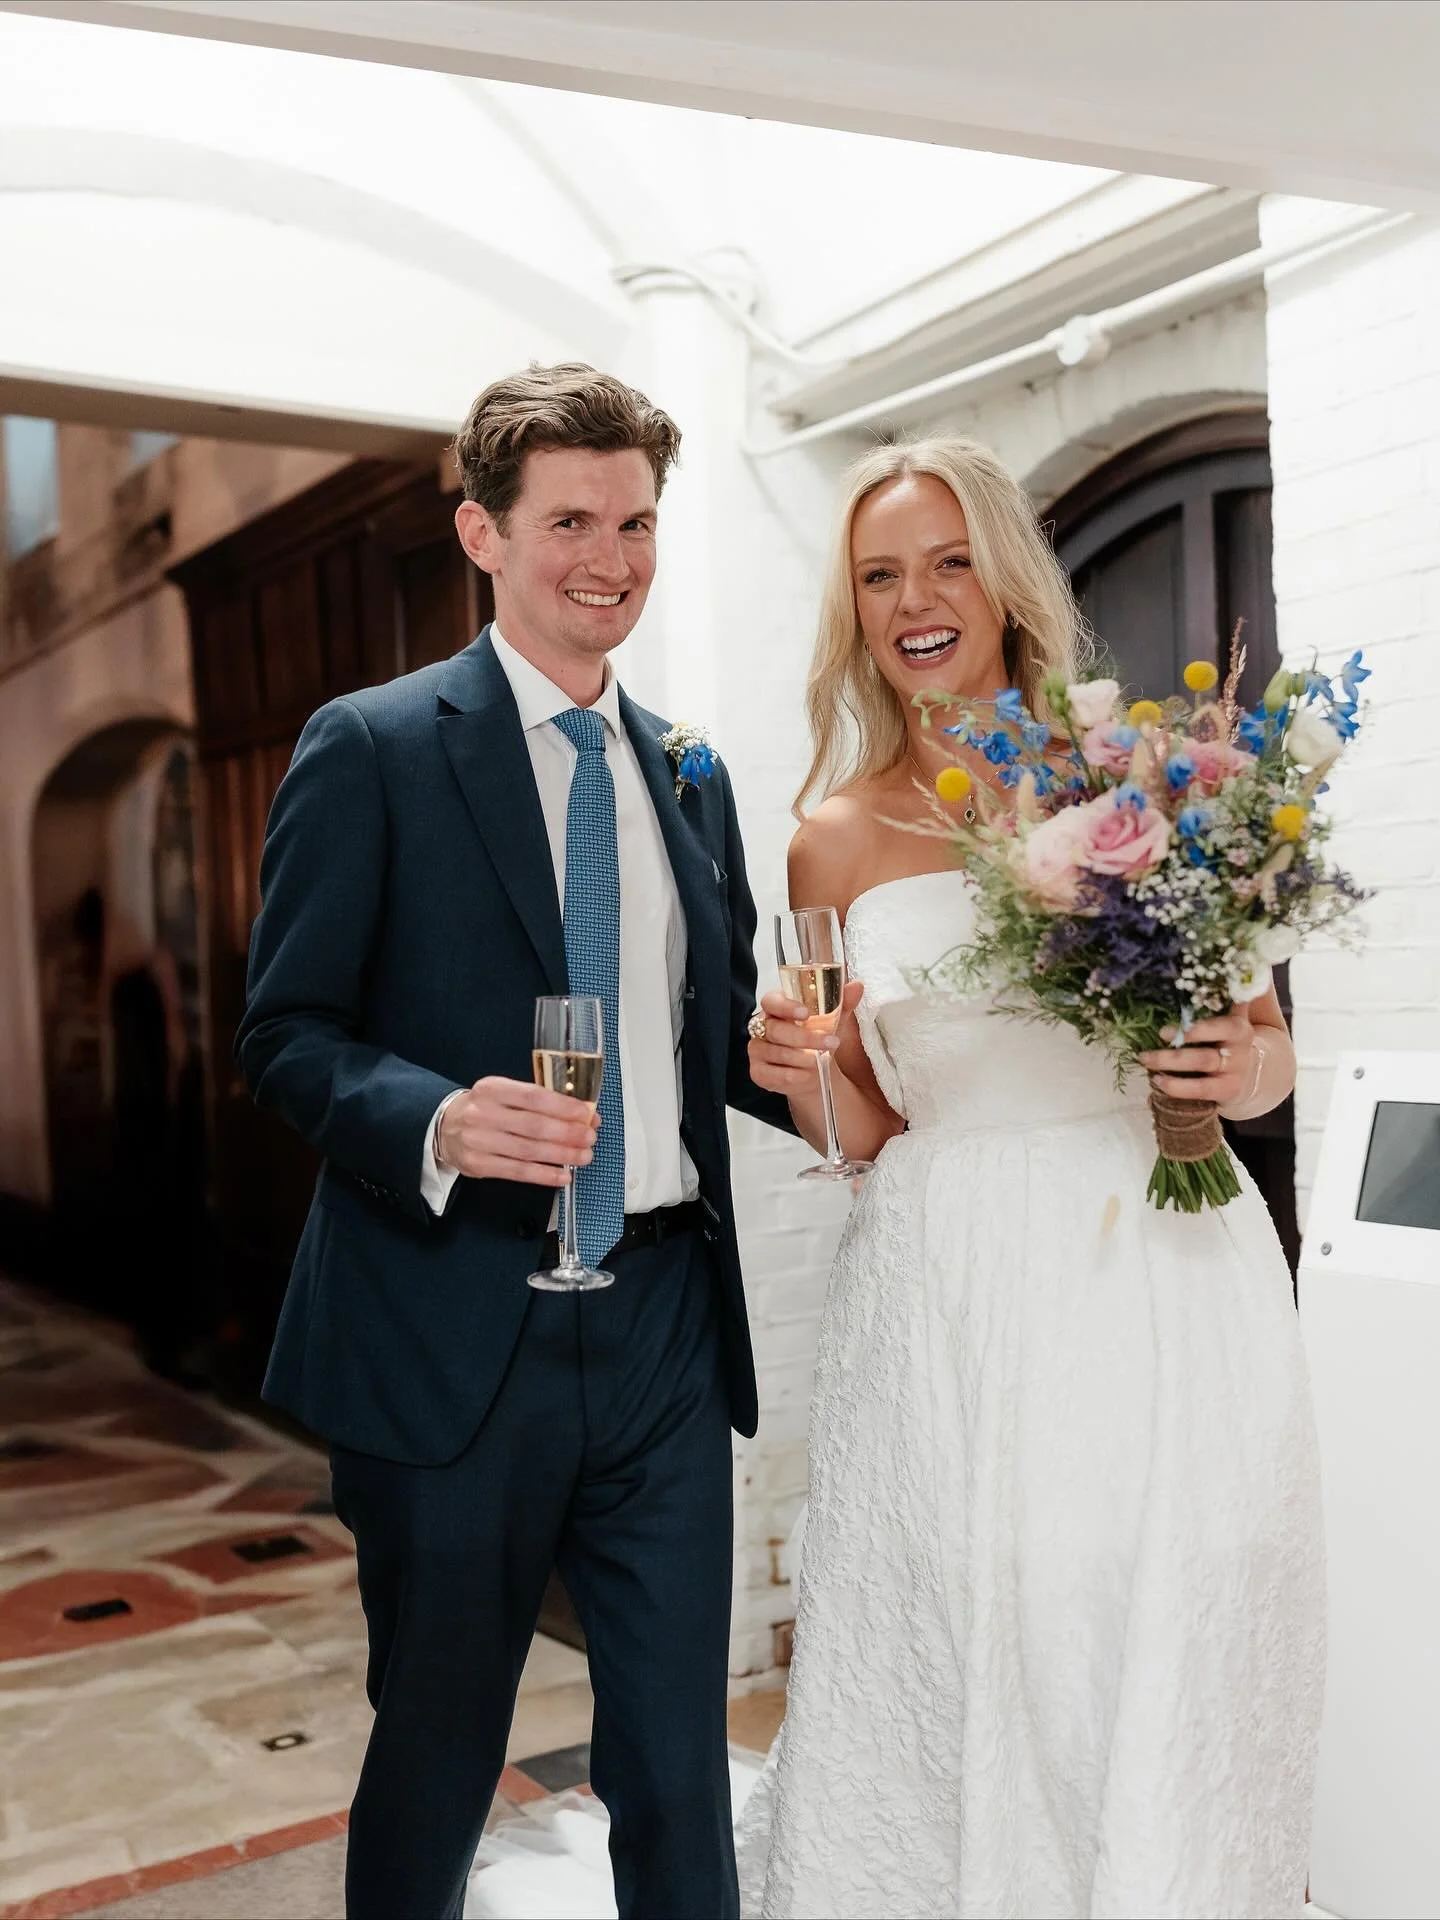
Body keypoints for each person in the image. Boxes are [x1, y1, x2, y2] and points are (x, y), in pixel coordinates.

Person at [238, 363, 793, 1920]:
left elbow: (729, 1031)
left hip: (669, 1322)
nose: (608, 557)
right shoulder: (373, 747)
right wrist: (434, 1116)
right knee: (436, 1748)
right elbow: (282, 1039)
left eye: (634, 520)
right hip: (446, 1327)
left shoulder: (690, 770)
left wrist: (841, 1066)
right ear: (483, 532)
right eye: (569, 521)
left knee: (679, 1757)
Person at [741, 438, 1324, 1918]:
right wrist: (805, 1080)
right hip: (947, 1297)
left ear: (1005, 579)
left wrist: (1230, 1078)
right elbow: (866, 1127)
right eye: (880, 575)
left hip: (1152, 1267)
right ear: (853, 609)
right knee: (966, 1641)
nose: (915, 600)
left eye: (947, 562)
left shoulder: (1146, 781)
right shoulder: (830, 834)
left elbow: (1264, 1050)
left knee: (1139, 1631)